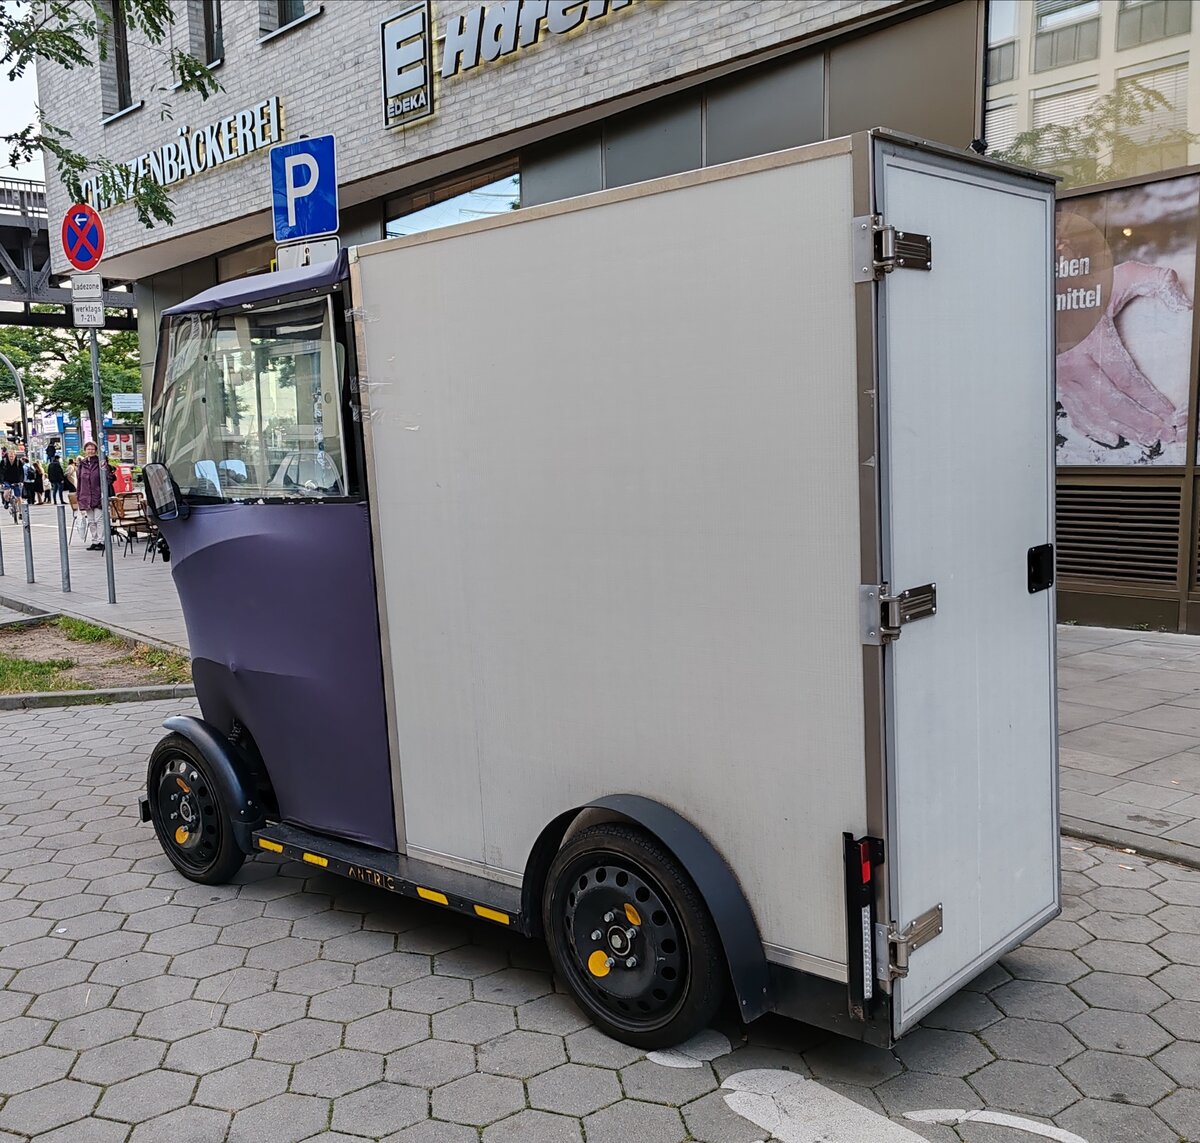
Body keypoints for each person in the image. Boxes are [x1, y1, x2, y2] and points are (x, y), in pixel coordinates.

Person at [76, 441, 113, 550]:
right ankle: (95, 540)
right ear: (85, 450)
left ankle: (101, 541)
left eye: (92, 449)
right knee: (91, 520)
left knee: (99, 519)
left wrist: (103, 491)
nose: (90, 451)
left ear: (96, 451)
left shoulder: (101, 462)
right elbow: (79, 481)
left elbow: (109, 477)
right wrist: (79, 495)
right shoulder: (82, 464)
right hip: (86, 496)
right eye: (88, 449)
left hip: (98, 495)